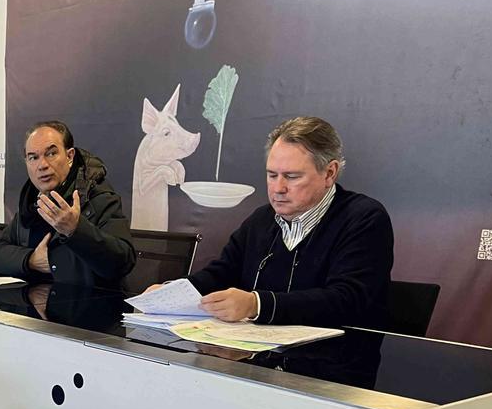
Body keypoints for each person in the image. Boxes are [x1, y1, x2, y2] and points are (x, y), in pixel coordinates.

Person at [153, 117, 392, 328]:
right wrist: (171, 293)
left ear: (329, 173)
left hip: (333, 365)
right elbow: (221, 274)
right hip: (257, 359)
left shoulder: (363, 218)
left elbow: (347, 299)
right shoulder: (261, 220)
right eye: (272, 175)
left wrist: (257, 304)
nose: (278, 188)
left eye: (292, 176)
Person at [0, 121, 135, 324]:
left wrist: (76, 229)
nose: (42, 165)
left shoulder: (98, 197)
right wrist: (31, 260)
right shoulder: (32, 201)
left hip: (91, 321)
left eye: (51, 153)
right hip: (36, 319)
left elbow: (121, 262)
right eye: (33, 157)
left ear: (70, 156)